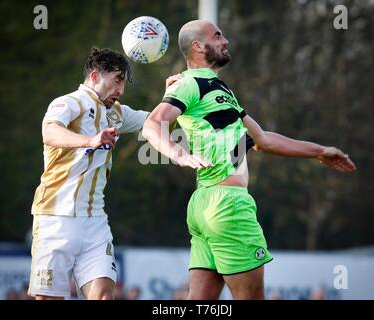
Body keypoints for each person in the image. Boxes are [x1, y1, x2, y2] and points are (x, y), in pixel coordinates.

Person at [142, 20, 356, 300]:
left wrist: (319, 150)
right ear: (197, 46)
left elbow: (264, 140)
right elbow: (152, 124)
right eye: (217, 36)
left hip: (205, 206)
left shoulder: (220, 90)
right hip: (228, 207)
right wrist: (179, 153)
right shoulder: (191, 84)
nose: (225, 40)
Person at [28, 47, 178, 300]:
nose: (121, 90)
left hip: (94, 220)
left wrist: (172, 98)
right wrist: (90, 140)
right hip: (56, 217)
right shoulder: (68, 102)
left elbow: (157, 121)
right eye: (117, 80)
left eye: (124, 83)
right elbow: (49, 132)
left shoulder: (116, 112)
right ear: (95, 76)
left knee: (105, 297)